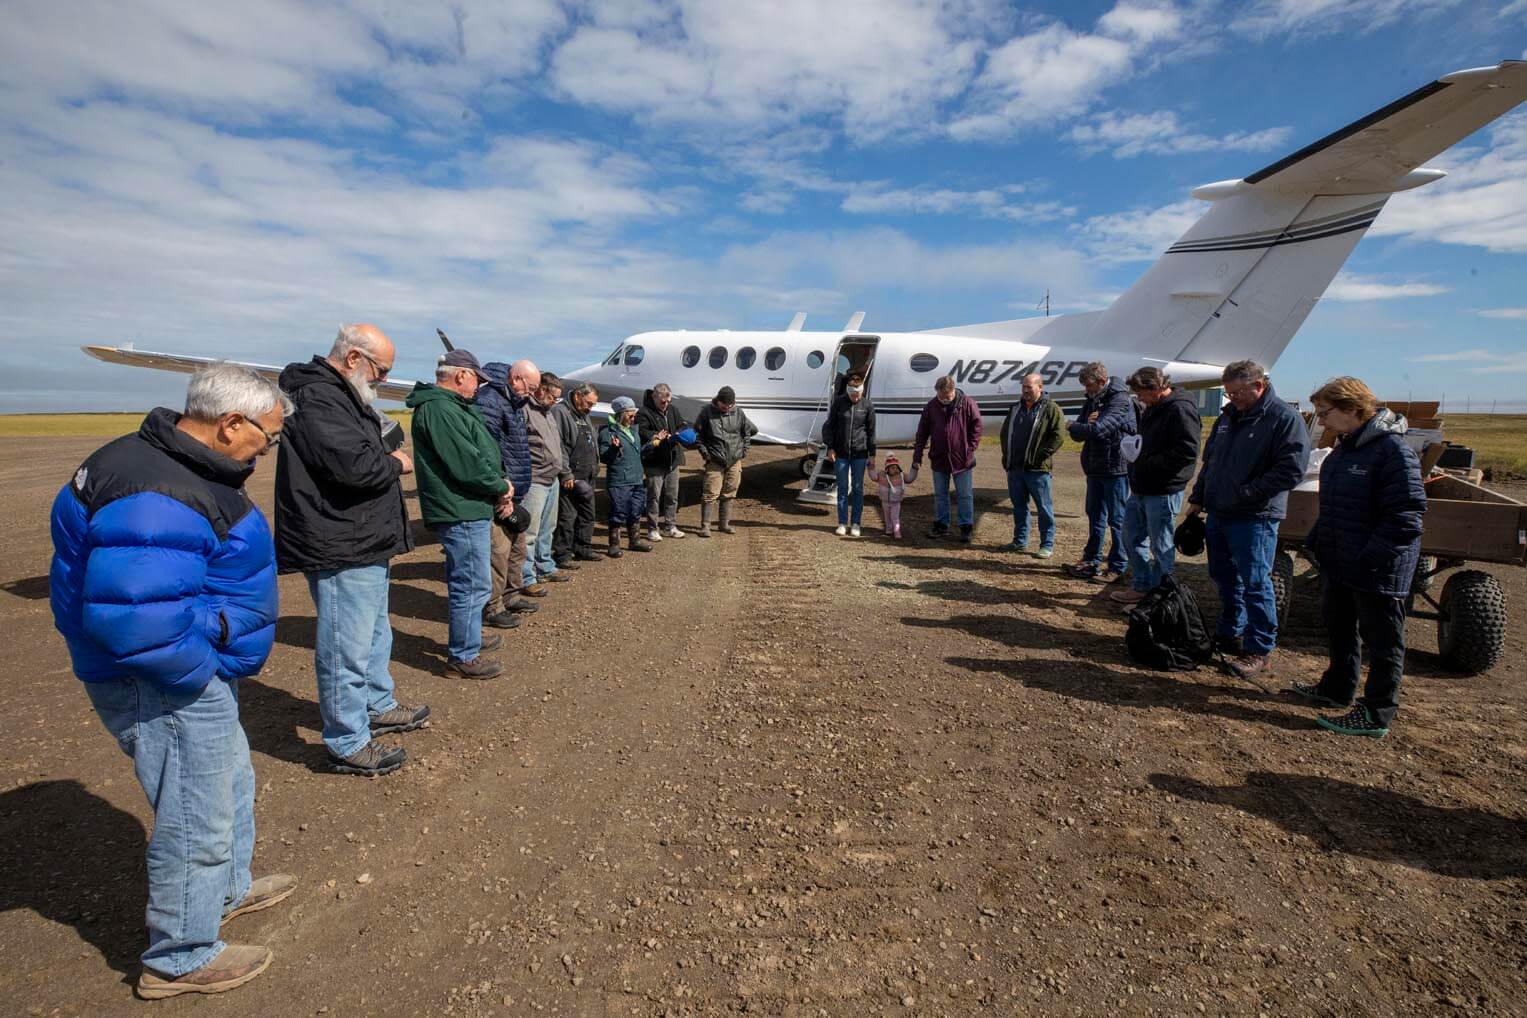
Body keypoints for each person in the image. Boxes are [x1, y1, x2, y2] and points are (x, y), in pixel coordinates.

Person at [50, 364, 295, 999]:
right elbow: (139, 621)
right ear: (229, 424)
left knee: (230, 780)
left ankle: (225, 892)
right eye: (264, 438)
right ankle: (180, 956)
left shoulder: (171, 467)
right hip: (165, 683)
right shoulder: (157, 491)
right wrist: (210, 656)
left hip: (179, 673)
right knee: (196, 810)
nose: (265, 451)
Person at [275, 324, 428, 777]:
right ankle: (347, 739)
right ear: (354, 358)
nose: (381, 380)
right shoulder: (319, 397)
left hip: (362, 536)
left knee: (375, 632)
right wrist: (397, 462)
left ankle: (377, 705)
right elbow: (355, 466)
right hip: (341, 539)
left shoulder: (340, 394)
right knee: (347, 643)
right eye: (380, 370)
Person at [1295, 378, 1425, 738]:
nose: (1320, 421)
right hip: (1340, 560)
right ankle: (1337, 689)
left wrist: (1369, 559)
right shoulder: (1344, 449)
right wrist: (1318, 541)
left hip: (1376, 568)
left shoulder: (1392, 452)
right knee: (1339, 628)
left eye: (1325, 413)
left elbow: (1406, 517)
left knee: (1382, 642)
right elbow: (1334, 506)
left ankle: (1376, 713)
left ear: (1352, 408)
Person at [1186, 360, 1311, 683]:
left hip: (1254, 516)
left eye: (1237, 392)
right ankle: (1230, 631)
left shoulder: (1283, 419)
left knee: (1256, 582)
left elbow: (1291, 470)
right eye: (1228, 393)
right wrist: (1199, 498)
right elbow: (1211, 461)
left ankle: (1259, 648)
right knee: (1223, 575)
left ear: (1259, 385)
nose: (1232, 399)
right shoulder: (1228, 418)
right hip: (1219, 512)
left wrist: (1248, 492)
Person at [406, 350, 512, 680]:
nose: (479, 387)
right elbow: (466, 463)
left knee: (473, 581)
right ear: (461, 375)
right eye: (477, 380)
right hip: (460, 508)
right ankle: (463, 656)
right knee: (470, 583)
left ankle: (469, 640)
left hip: (468, 505)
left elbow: (478, 453)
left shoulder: (451, 407)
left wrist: (498, 483)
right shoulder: (440, 409)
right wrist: (499, 485)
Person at [1111, 367, 1201, 608]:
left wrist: (1149, 462)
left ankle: (1163, 595)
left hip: (1163, 489)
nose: (1139, 398)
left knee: (1161, 545)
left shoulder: (1180, 409)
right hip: (1141, 487)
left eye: (1141, 393)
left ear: (1156, 387)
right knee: (1130, 537)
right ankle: (1142, 586)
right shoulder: (1153, 408)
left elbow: (1187, 451)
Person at [476, 358, 540, 627]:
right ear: (516, 379)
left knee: (517, 548)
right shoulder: (490, 400)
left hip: (515, 491)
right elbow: (488, 450)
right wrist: (502, 490)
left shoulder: (513, 402)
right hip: (502, 493)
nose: (533, 394)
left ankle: (512, 595)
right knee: (498, 554)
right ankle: (492, 606)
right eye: (532, 388)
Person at [1066, 362, 1136, 582]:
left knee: (1117, 519)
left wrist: (1071, 425)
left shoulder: (1120, 400)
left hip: (1116, 469)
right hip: (1095, 467)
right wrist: (1084, 424)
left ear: (1101, 382)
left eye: (1088, 385)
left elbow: (1097, 430)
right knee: (1095, 516)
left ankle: (1118, 566)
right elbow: (1080, 434)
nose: (1086, 390)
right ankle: (1091, 560)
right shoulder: (1092, 400)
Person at [998, 372, 1065, 558]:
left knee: (1044, 508)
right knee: (1019, 507)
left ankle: (1047, 544)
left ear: (1040, 387)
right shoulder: (1015, 408)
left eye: (1030, 387)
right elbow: (1005, 433)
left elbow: (1058, 435)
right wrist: (1007, 457)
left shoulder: (1051, 409)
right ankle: (1019, 541)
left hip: (1037, 470)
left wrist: (1042, 455)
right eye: (1024, 387)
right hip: (1015, 468)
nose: (1026, 391)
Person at [911, 374, 983, 543]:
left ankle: (966, 527)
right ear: (936, 392)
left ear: (953, 391)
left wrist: (970, 449)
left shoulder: (967, 403)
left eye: (948, 396)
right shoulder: (931, 407)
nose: (944, 399)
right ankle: (941, 525)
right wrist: (917, 456)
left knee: (964, 494)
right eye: (941, 396)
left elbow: (977, 426)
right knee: (940, 494)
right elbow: (922, 433)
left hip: (962, 460)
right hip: (939, 459)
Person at [522, 371, 570, 587]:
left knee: (547, 529)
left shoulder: (548, 412)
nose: (555, 402)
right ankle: (526, 576)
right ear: (541, 390)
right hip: (534, 480)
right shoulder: (524, 409)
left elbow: (556, 444)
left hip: (552, 480)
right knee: (529, 532)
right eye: (553, 397)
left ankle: (545, 566)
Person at [694, 386, 758, 537]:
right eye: (724, 406)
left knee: (730, 492)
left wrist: (744, 451)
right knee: (710, 492)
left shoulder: (739, 412)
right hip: (714, 460)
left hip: (735, 460)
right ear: (718, 401)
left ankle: (724, 524)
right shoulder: (706, 412)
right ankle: (705, 526)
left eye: (730, 406)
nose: (727, 409)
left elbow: (747, 432)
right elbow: (698, 436)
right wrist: (706, 454)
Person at [822, 370, 876, 537]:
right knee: (843, 488)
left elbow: (871, 431)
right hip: (841, 453)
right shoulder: (839, 403)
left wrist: (872, 453)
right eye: (853, 395)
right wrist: (830, 447)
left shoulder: (867, 406)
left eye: (858, 394)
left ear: (862, 391)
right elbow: (829, 426)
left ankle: (856, 523)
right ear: (848, 391)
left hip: (860, 453)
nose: (856, 398)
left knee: (858, 489)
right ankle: (842, 523)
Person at [552, 381, 601, 565]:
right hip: (572, 476)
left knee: (588, 514)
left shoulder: (584, 414)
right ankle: (563, 554)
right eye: (588, 403)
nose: (590, 408)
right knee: (568, 516)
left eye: (593, 405)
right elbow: (559, 446)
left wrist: (595, 466)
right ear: (578, 396)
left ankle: (583, 548)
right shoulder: (561, 412)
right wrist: (566, 473)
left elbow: (592, 441)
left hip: (588, 474)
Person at [636, 383, 690, 541]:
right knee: (654, 496)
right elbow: (641, 431)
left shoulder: (672, 410)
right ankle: (653, 529)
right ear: (654, 397)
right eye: (662, 402)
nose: (666, 404)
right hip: (654, 461)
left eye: (668, 401)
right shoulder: (643, 413)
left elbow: (681, 423)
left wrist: (681, 431)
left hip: (673, 460)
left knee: (672, 495)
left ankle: (670, 526)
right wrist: (655, 436)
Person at [600, 396, 652, 555]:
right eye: (630, 414)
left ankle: (634, 540)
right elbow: (604, 457)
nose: (633, 417)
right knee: (619, 510)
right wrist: (613, 449)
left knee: (636, 510)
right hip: (620, 479)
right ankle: (614, 544)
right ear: (621, 413)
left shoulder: (633, 431)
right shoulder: (607, 432)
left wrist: (652, 444)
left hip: (636, 478)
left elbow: (638, 453)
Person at [867, 453, 908, 538]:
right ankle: (888, 529)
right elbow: (873, 477)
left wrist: (914, 468)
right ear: (887, 469)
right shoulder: (882, 476)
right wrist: (870, 467)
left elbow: (910, 478)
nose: (895, 470)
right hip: (885, 501)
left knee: (895, 517)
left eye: (896, 468)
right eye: (892, 468)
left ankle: (897, 531)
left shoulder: (901, 476)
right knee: (887, 516)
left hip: (896, 502)